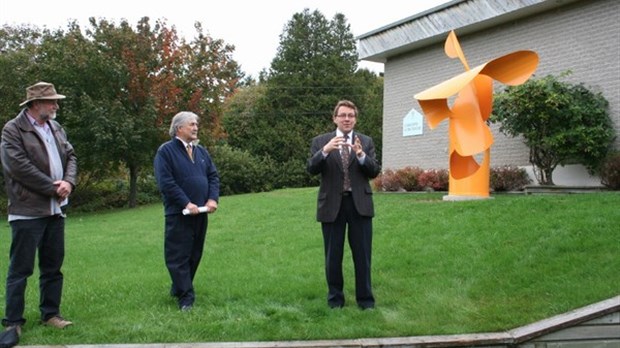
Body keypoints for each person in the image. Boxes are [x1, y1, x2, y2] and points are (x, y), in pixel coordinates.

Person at [0, 82, 78, 336]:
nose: (56, 105)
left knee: (53, 266)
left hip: (56, 210)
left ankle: (51, 314)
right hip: (27, 211)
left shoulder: (55, 127)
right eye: (51, 101)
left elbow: (71, 156)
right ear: (35, 104)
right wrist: (52, 187)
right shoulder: (13, 130)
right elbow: (18, 167)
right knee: (20, 269)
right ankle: (13, 322)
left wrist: (68, 182)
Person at [307, 99, 381, 310]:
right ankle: (335, 300)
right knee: (333, 256)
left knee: (362, 255)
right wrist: (325, 151)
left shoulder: (365, 141)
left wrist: (360, 155)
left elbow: (374, 171)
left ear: (355, 119)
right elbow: (311, 168)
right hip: (332, 206)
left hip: (360, 205)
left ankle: (365, 301)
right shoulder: (321, 141)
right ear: (335, 118)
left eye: (351, 115)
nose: (347, 119)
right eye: (343, 115)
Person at [154, 111, 220, 311]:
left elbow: (213, 176)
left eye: (196, 124)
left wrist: (212, 199)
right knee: (178, 256)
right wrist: (185, 203)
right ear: (179, 128)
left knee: (194, 254)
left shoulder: (201, 152)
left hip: (200, 213)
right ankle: (186, 298)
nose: (196, 127)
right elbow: (166, 182)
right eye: (191, 124)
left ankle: (179, 287)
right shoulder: (165, 151)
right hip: (179, 214)